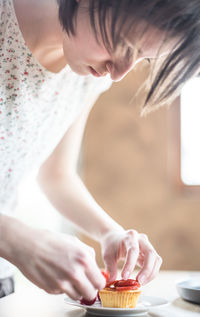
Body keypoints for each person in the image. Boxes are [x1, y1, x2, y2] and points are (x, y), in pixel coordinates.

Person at [0, 0, 199, 300]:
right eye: (122, 43)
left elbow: (57, 175)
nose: (118, 72)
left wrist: (110, 233)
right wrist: (17, 239)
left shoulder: (85, 77)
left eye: (142, 58)